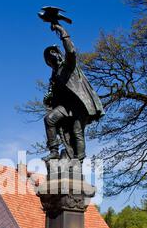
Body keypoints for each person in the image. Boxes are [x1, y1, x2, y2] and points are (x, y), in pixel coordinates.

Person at [43, 23, 104, 162]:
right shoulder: (54, 76)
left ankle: (79, 160)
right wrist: (49, 98)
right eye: (49, 59)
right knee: (49, 119)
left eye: (53, 54)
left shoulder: (68, 66)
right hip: (65, 106)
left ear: (58, 56)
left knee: (77, 132)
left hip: (79, 104)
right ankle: (54, 151)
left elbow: (71, 52)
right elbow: (54, 95)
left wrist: (61, 31)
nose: (52, 58)